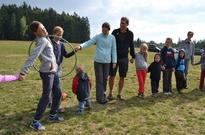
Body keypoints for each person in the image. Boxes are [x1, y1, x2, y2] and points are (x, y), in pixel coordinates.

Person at [18, 21, 64, 131]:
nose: (44, 30)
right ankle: (35, 122)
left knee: (58, 93)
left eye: (43, 28)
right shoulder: (42, 41)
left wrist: (56, 68)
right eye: (41, 30)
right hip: (47, 73)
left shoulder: (47, 38)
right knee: (47, 96)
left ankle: (52, 116)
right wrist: (23, 72)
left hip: (54, 71)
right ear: (36, 33)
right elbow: (33, 56)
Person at [75, 22, 117, 104]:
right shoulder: (98, 37)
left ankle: (103, 95)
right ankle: (99, 97)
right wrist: (81, 46)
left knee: (105, 79)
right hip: (98, 61)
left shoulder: (112, 38)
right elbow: (89, 42)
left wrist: (114, 61)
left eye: (105, 30)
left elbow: (114, 50)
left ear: (109, 30)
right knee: (99, 79)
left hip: (107, 62)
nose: (103, 32)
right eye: (102, 30)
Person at [48, 26, 76, 113]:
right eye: (58, 34)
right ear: (53, 34)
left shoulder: (62, 45)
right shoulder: (50, 43)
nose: (59, 36)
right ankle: (49, 101)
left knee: (56, 87)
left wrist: (74, 51)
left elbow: (66, 55)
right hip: (50, 69)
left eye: (61, 35)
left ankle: (53, 103)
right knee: (50, 87)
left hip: (58, 69)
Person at [108, 17, 135, 101]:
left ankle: (119, 94)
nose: (121, 25)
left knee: (122, 76)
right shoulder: (115, 32)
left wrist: (133, 56)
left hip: (124, 58)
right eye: (120, 23)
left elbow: (131, 45)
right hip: (114, 57)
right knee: (112, 75)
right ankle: (110, 93)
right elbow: (110, 44)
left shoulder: (130, 34)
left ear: (127, 24)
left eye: (123, 23)